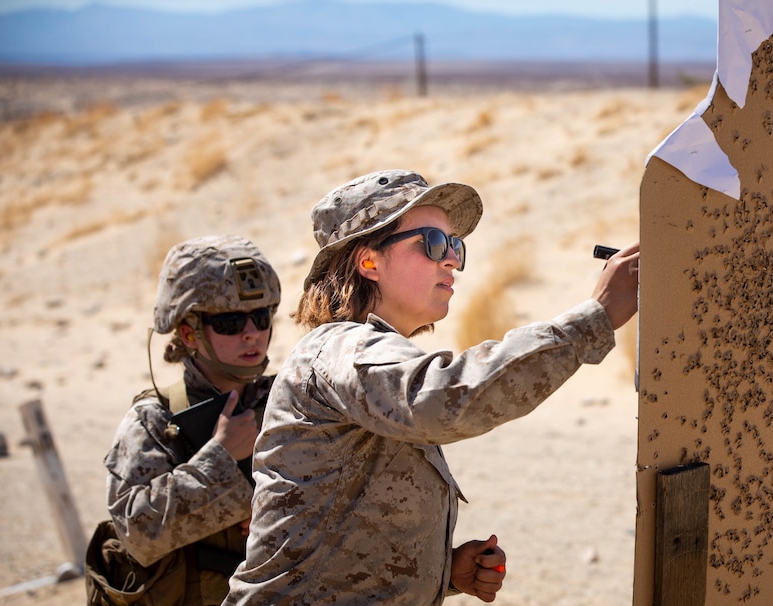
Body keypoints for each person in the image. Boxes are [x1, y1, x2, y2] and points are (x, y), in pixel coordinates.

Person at [223, 169, 640, 605]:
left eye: (456, 246)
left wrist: (442, 572)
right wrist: (596, 316)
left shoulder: (367, 356)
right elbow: (445, 399)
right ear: (369, 262)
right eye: (433, 244)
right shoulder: (341, 348)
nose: (453, 260)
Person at [101, 235, 281, 605]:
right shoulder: (155, 419)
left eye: (261, 318)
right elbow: (137, 530)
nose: (252, 333)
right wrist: (220, 457)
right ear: (189, 333)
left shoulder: (288, 400)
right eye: (230, 322)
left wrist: (270, 509)